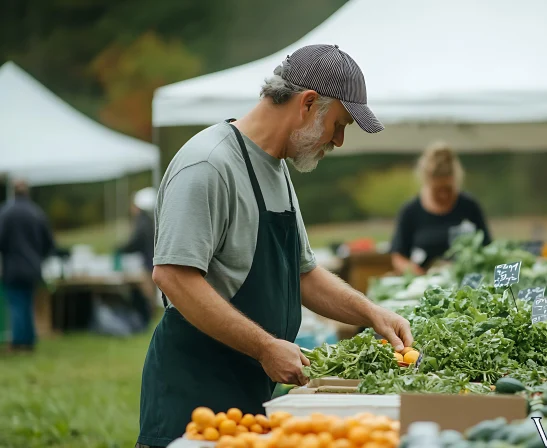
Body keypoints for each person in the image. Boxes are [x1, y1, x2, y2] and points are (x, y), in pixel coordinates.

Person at [137, 44, 412, 448]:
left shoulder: (276, 168)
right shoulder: (208, 164)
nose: (337, 141)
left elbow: (303, 274)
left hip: (249, 390)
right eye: (339, 124)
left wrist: (371, 314)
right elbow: (174, 277)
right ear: (307, 103)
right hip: (194, 394)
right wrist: (265, 346)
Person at [390, 141, 492, 275]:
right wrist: (417, 274)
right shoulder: (410, 211)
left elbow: (487, 248)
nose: (443, 195)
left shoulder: (469, 206)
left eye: (448, 189)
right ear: (426, 182)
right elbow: (398, 256)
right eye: (437, 190)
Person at [0, 180, 55, 352]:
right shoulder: (37, 212)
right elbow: (49, 242)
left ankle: (19, 342)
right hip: (33, 266)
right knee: (28, 303)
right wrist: (39, 257)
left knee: (16, 303)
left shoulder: (6, 212)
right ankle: (29, 340)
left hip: (14, 266)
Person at [117, 187, 157, 328]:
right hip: (152, 259)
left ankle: (149, 316)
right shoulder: (150, 219)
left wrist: (121, 249)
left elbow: (135, 241)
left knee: (148, 291)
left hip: (148, 261)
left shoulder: (142, 221)